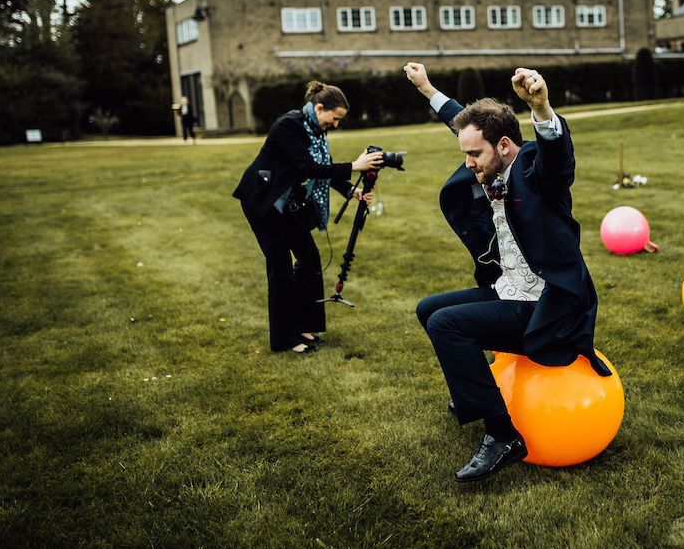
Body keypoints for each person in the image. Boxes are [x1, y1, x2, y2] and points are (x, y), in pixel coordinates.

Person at [403, 61, 613, 483]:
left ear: (503, 146)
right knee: (429, 309)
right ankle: (474, 396)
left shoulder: (538, 173)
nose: (467, 164)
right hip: (510, 289)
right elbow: (464, 125)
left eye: (473, 154)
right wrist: (428, 90)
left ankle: (502, 436)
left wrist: (541, 109)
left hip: (547, 306)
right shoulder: (490, 157)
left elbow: (557, 156)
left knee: (448, 325)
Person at [233, 81, 383, 354]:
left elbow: (324, 167)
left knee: (310, 259)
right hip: (263, 203)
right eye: (334, 118)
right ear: (319, 107)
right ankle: (284, 339)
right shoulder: (289, 125)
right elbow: (308, 167)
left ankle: (303, 325)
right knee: (280, 269)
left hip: (289, 203)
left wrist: (352, 191)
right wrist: (354, 166)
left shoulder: (316, 130)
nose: (336, 124)